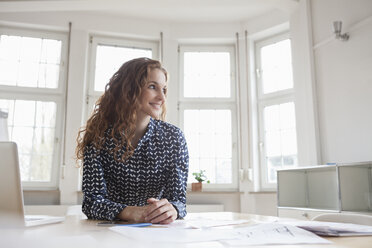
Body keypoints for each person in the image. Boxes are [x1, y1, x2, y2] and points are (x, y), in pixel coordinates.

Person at [76, 57, 189, 224]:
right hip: (107, 232)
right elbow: (92, 203)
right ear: (128, 90)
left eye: (164, 89)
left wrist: (172, 209)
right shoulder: (98, 137)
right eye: (152, 87)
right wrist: (129, 212)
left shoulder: (174, 138)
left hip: (156, 231)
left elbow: (179, 201)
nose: (162, 98)